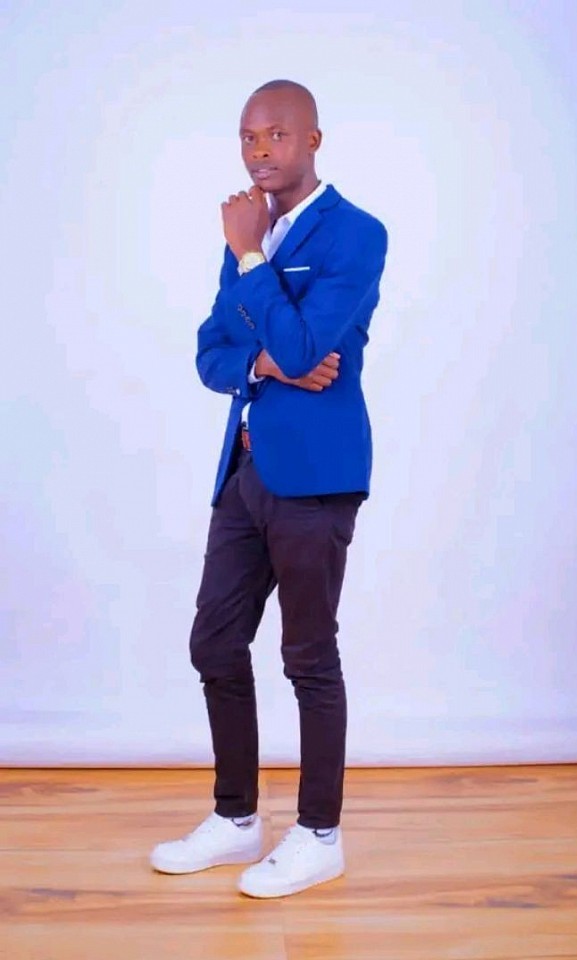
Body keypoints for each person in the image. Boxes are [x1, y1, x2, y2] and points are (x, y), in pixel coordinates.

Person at [150, 79, 388, 899]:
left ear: (314, 139)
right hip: (245, 471)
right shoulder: (248, 231)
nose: (259, 151)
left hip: (317, 475)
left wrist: (252, 257)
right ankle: (237, 818)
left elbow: (307, 343)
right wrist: (262, 361)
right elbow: (212, 350)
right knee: (214, 644)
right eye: (248, 137)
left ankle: (320, 835)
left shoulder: (356, 233)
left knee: (307, 655)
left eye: (277, 135)